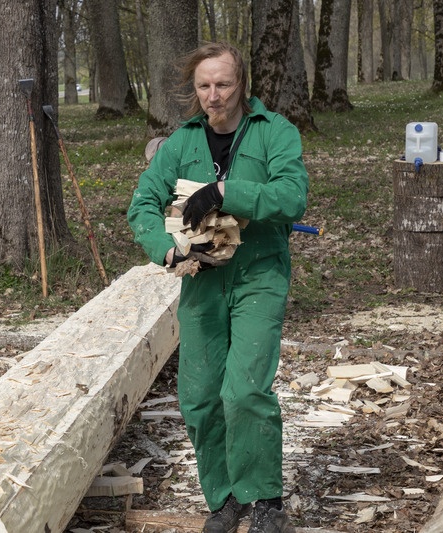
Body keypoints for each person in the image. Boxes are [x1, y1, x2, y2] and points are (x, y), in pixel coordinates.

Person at [127, 42, 309, 533]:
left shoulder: (275, 133)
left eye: (223, 84)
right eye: (204, 86)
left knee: (245, 389)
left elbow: (292, 196)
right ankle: (226, 499)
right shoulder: (183, 143)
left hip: (258, 273)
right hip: (201, 281)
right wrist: (163, 247)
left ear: (241, 84)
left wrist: (230, 191)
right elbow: (143, 202)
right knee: (202, 396)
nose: (213, 96)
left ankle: (266, 500)